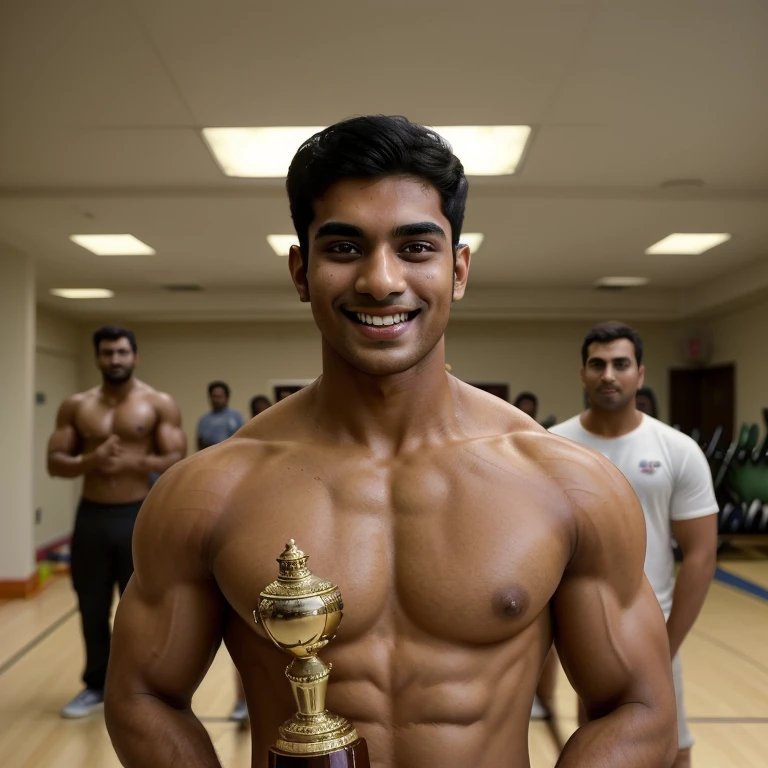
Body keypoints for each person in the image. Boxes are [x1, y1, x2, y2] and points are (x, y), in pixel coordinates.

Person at [104, 116, 677, 768]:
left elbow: (639, 707)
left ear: (458, 269)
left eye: (416, 248)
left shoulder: (564, 483)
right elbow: (143, 694)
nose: (380, 280)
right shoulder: (210, 491)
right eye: (344, 247)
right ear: (301, 271)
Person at [543, 321, 718, 768]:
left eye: (621, 364)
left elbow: (700, 555)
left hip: (652, 630)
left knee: (672, 751)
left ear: (640, 374)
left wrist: (667, 642)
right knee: (600, 743)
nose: (608, 375)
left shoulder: (677, 450)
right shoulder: (552, 447)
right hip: (580, 631)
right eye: (597, 364)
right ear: (582, 373)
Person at [47, 325, 186, 718]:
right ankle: (96, 685)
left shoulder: (157, 403)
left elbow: (177, 457)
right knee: (91, 604)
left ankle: (143, 688)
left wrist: (134, 462)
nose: (115, 360)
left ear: (135, 356)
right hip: (91, 514)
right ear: (97, 357)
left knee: (140, 605)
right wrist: (90, 460)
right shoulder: (76, 406)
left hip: (137, 514)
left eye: (122, 352)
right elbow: (55, 463)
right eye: (107, 353)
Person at [195, 381, 248, 721]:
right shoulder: (203, 423)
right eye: (211, 394)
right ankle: (242, 702)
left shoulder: (237, 422)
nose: (216, 398)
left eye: (220, 394)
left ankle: (248, 700)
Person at [196, 381, 245, 451]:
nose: (216, 400)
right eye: (214, 396)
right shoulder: (204, 421)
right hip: (210, 457)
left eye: (219, 397)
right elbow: (200, 444)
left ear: (227, 398)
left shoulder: (236, 417)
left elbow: (242, 440)